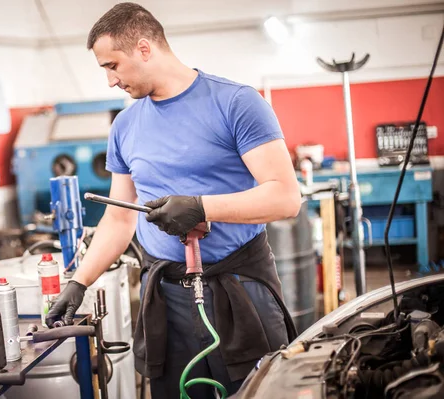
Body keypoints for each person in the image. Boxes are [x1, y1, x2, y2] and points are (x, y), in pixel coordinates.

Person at [46, 2, 302, 398]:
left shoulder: (235, 102)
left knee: (260, 391)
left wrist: (202, 207)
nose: (110, 81)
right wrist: (79, 281)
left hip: (239, 290)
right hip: (166, 298)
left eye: (112, 65)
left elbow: (286, 198)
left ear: (145, 49)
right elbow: (118, 218)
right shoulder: (125, 125)